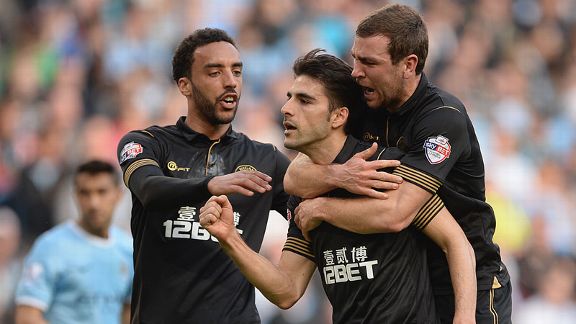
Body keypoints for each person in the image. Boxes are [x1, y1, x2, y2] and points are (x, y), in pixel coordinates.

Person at [200, 49, 475, 323]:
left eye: (304, 101)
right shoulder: (303, 192)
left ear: (338, 116)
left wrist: (464, 318)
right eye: (289, 98)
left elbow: (456, 242)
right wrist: (230, 239)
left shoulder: (382, 167)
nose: (286, 109)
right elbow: (287, 290)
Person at [284, 4, 512, 324]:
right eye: (355, 58)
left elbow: (396, 213)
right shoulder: (364, 102)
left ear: (409, 65)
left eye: (369, 62)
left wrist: (321, 208)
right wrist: (340, 175)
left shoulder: (442, 119)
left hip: (469, 277)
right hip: (414, 278)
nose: (355, 72)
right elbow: (294, 176)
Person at [116, 28, 290, 323]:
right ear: (185, 85)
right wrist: (210, 184)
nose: (231, 82)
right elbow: (148, 189)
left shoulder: (266, 159)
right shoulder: (147, 143)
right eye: (215, 72)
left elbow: (309, 212)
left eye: (237, 71)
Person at [14, 160, 133, 324]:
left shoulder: (128, 249)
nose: (94, 203)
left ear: (118, 195)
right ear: (75, 195)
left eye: (102, 192)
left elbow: (128, 311)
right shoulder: (50, 246)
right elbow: (27, 316)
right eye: (85, 193)